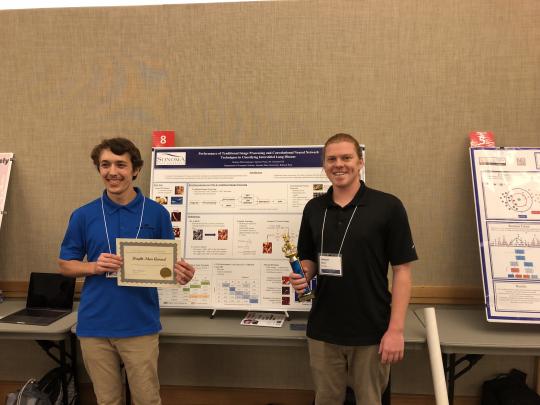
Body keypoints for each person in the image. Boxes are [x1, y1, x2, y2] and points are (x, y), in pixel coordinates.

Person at [58, 138, 195, 405]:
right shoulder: (83, 215)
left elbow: (168, 265)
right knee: (107, 400)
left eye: (121, 164)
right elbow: (65, 264)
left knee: (146, 399)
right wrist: (94, 266)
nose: (112, 172)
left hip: (139, 325)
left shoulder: (157, 214)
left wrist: (181, 274)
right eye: (105, 165)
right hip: (94, 326)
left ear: (135, 170)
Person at [290, 133, 417, 405]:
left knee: (370, 400)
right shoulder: (313, 208)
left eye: (346, 157)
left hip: (371, 330)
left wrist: (395, 330)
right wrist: (304, 274)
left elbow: (403, 272)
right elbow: (309, 259)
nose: (339, 164)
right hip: (323, 329)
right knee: (326, 399)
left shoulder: (388, 207)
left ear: (360, 162)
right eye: (332, 159)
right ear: (324, 165)